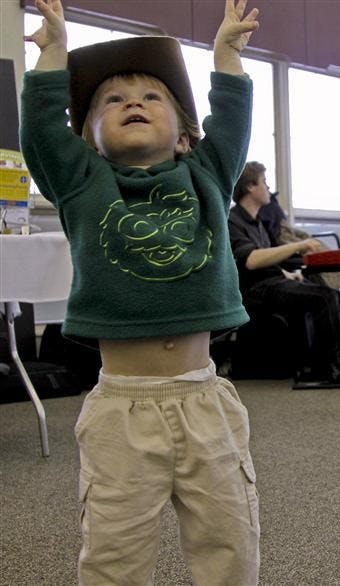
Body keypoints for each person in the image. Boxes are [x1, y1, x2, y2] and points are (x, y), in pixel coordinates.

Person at [20, 0, 261, 583]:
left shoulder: (206, 174)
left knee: (229, 542)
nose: (133, 102)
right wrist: (52, 53)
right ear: (90, 139)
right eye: (112, 100)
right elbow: (43, 137)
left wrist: (227, 55)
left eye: (153, 98)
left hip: (206, 400)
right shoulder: (82, 183)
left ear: (184, 136)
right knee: (113, 553)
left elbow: (229, 124)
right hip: (121, 410)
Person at [228, 161, 340, 381]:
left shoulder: (258, 223)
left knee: (336, 297)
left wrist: (288, 274)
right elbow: (252, 261)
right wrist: (299, 245)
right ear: (250, 187)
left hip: (269, 283)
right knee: (324, 297)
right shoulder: (233, 221)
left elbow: (268, 261)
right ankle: (332, 370)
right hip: (252, 290)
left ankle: (329, 363)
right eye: (264, 182)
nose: (268, 188)